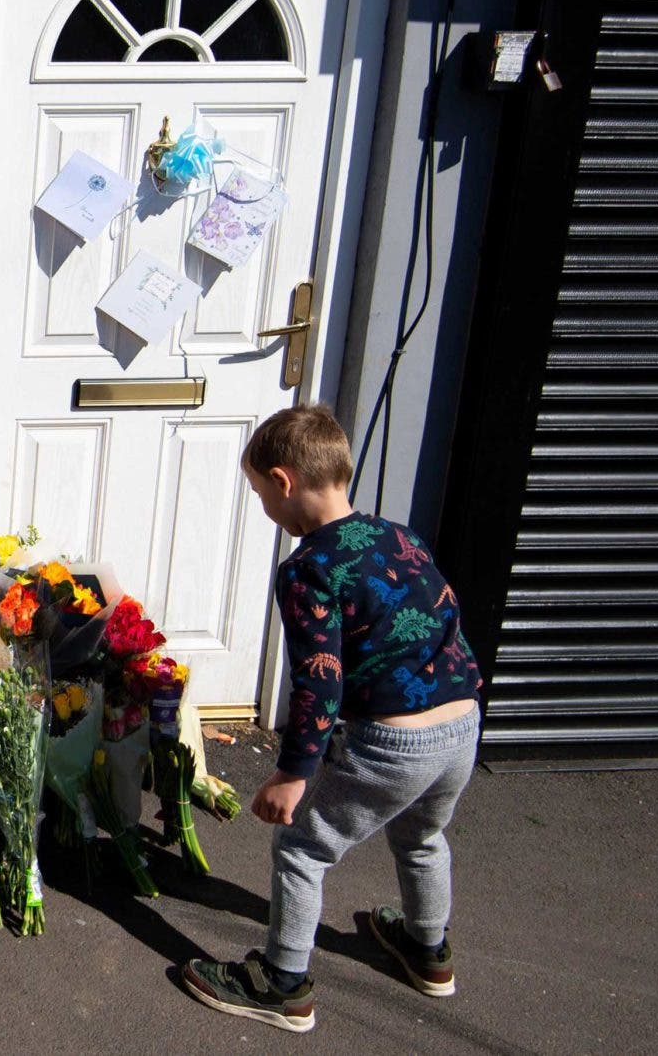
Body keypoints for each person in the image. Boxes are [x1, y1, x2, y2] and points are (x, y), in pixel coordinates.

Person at [182, 403, 482, 1034]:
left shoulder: (308, 569)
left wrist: (293, 774)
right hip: (461, 727)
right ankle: (428, 952)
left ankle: (282, 982)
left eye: (262, 493)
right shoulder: (400, 536)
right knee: (422, 835)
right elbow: (447, 621)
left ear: (283, 481)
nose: (265, 506)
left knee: (301, 847)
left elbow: (320, 681)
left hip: (395, 743)